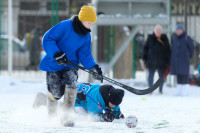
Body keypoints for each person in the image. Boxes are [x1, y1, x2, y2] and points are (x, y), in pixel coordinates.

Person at [39, 5, 103, 126]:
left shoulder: (86, 36)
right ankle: (48, 109)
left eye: (92, 23)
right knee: (56, 94)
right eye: (89, 23)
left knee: (72, 84)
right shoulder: (65, 26)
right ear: (82, 20)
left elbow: (85, 55)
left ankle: (67, 117)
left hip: (70, 65)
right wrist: (57, 53)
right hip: (54, 64)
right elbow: (47, 39)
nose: (90, 26)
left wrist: (93, 67)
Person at [33, 83, 125, 122]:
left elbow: (114, 107)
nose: (114, 106)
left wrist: (118, 114)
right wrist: (102, 118)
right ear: (108, 98)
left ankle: (43, 99)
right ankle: (43, 99)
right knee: (77, 116)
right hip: (76, 97)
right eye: (112, 103)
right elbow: (92, 116)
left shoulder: (111, 96)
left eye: (116, 104)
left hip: (84, 98)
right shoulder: (96, 98)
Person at [143, 24, 171, 94]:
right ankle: (150, 90)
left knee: (161, 77)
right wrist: (145, 58)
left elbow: (168, 50)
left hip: (162, 61)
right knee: (150, 77)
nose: (158, 32)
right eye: (157, 30)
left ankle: (160, 89)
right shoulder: (150, 38)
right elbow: (145, 49)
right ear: (154, 31)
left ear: (161, 32)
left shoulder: (164, 38)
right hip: (151, 61)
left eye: (159, 31)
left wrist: (168, 61)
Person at [170, 24, 194, 96]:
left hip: (184, 60)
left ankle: (186, 91)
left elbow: (192, 48)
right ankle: (179, 91)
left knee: (185, 75)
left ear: (182, 31)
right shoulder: (174, 38)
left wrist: (188, 56)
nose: (179, 31)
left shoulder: (187, 38)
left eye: (180, 30)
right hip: (176, 61)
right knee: (179, 76)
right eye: (177, 30)